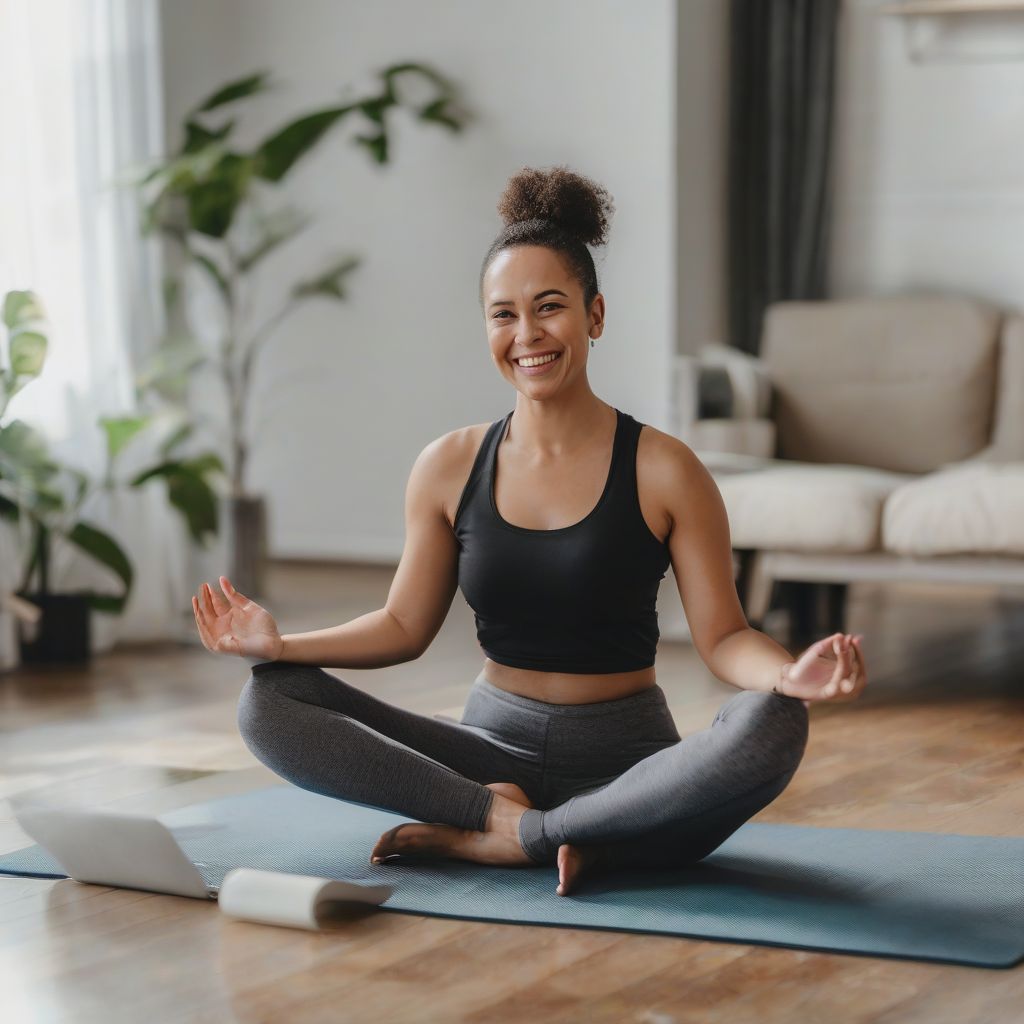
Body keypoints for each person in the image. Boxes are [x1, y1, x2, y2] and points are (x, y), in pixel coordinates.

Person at [192, 165, 868, 897]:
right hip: (487, 756)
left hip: (628, 767)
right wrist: (281, 646)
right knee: (268, 699)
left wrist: (786, 677)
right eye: (503, 314)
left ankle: (519, 839)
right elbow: (401, 625)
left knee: (775, 724)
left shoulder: (665, 469)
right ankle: (526, 826)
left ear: (595, 315)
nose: (527, 335)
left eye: (549, 308)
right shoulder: (447, 465)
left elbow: (725, 638)